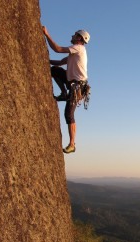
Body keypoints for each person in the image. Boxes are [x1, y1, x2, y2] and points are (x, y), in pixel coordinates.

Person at [42, 26, 90, 154]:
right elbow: (59, 63)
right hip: (72, 84)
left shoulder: (78, 48)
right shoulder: (74, 53)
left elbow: (57, 49)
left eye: (75, 35)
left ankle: (72, 144)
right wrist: (44, 60)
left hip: (78, 87)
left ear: (79, 38)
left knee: (69, 114)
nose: (72, 36)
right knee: (55, 70)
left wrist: (47, 34)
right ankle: (63, 93)